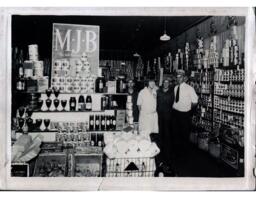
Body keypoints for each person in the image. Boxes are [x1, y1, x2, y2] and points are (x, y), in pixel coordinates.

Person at [172, 70, 198, 161]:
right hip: (175, 113)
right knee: (175, 134)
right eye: (177, 77)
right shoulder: (175, 88)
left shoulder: (189, 88)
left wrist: (190, 112)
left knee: (184, 135)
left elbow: (195, 102)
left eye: (180, 77)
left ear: (184, 78)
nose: (178, 78)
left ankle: (184, 155)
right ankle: (176, 153)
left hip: (184, 114)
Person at [157, 78, 175, 169]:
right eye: (164, 82)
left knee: (167, 136)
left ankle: (168, 156)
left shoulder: (172, 93)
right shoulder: (158, 92)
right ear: (162, 83)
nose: (166, 84)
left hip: (168, 117)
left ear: (169, 84)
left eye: (168, 82)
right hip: (159, 116)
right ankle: (159, 154)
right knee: (159, 135)